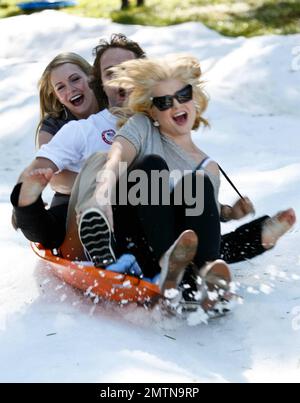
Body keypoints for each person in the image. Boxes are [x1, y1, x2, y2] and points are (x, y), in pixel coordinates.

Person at [75, 55, 296, 309]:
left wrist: (229, 212)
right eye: (164, 102)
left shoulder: (208, 166)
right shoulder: (143, 127)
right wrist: (101, 193)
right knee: (151, 166)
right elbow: (117, 156)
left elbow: (204, 220)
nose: (175, 105)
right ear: (152, 111)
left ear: (194, 99)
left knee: (198, 184)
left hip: (182, 247)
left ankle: (205, 275)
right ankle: (250, 240)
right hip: (137, 237)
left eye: (183, 95)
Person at [11, 34, 146, 252]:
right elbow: (53, 178)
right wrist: (101, 185)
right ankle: (28, 210)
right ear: (56, 95)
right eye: (61, 87)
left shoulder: (118, 105)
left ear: (93, 79)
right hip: (74, 198)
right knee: (53, 231)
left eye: (75, 79)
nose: (70, 89)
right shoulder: (57, 126)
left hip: (128, 191)